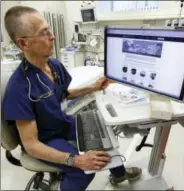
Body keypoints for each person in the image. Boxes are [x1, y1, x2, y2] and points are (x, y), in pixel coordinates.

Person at [2, 6, 142, 191]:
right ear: (23, 44)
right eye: (43, 33)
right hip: (44, 139)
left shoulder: (53, 65)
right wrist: (75, 160)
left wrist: (93, 87)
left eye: (49, 29)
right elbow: (31, 144)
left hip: (60, 122)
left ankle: (119, 175)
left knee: (104, 132)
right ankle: (57, 187)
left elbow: (61, 93)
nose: (52, 36)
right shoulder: (19, 87)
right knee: (84, 170)